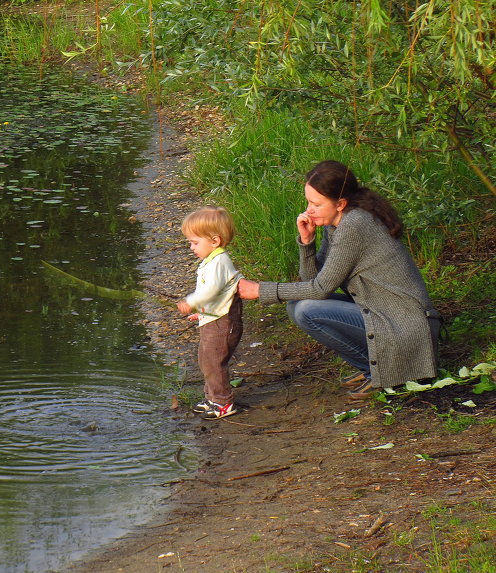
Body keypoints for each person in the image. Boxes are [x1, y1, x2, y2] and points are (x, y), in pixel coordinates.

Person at [238, 160, 441, 400]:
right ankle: (375, 368)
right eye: (308, 202)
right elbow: (314, 280)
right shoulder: (337, 224)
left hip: (405, 323)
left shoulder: (355, 225)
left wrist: (261, 290)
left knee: (306, 310)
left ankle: (377, 372)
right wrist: (306, 242)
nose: (308, 210)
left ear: (341, 203)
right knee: (297, 306)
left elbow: (320, 289)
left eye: (316, 203)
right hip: (383, 312)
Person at [177, 206, 243, 419]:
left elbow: (212, 290)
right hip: (214, 318)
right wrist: (203, 312)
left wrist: (192, 302)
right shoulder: (211, 260)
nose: (191, 247)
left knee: (215, 361)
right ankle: (211, 398)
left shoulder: (220, 261)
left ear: (214, 241)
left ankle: (223, 402)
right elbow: (217, 296)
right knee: (205, 360)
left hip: (223, 323)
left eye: (195, 242)